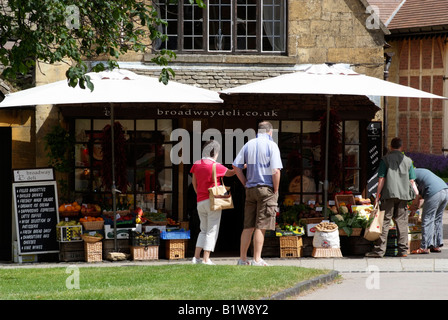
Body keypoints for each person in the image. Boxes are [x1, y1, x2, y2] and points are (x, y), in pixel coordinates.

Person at [232, 121, 283, 266]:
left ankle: (242, 259)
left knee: (248, 226)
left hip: (251, 189)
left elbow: (236, 166)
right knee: (261, 225)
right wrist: (276, 189)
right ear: (270, 132)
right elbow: (276, 171)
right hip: (266, 189)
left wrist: (245, 183)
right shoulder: (272, 145)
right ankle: (257, 259)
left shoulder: (249, 144)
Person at [365, 137, 419, 258]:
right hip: (403, 195)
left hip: (388, 194)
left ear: (391, 146)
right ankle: (403, 250)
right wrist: (416, 196)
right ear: (401, 147)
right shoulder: (408, 161)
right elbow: (412, 181)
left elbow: (381, 179)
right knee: (402, 222)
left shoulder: (386, 159)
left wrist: (378, 196)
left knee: (384, 222)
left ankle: (379, 251)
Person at [190, 140, 235, 265]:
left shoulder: (197, 164)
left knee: (203, 230)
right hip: (213, 200)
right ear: (215, 152)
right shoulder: (216, 165)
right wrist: (239, 168)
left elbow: (194, 183)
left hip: (200, 201)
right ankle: (206, 258)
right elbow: (230, 173)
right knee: (212, 230)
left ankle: (196, 257)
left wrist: (199, 194)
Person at [409, 168, 448, 254]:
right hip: (445, 190)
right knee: (437, 219)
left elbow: (416, 193)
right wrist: (416, 208)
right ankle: (436, 245)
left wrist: (414, 205)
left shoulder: (410, 175)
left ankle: (424, 247)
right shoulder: (420, 172)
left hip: (434, 192)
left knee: (427, 219)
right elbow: (422, 197)